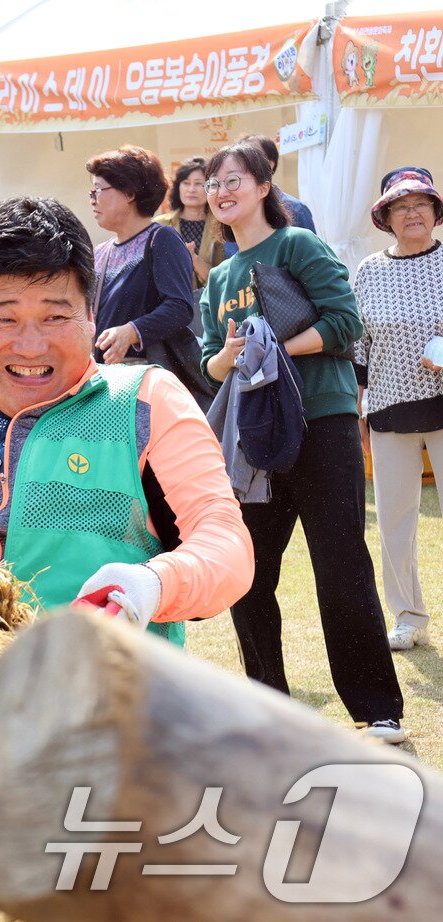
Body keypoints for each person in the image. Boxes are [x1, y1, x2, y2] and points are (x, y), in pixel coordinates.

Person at [0, 196, 253, 646]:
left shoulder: (147, 400)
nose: (31, 346)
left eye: (55, 316)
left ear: (90, 315)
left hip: (123, 701)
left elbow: (225, 542)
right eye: (4, 317)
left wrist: (153, 584)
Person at [200, 141, 406, 743]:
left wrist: (275, 351)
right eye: (214, 183)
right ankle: (268, 710)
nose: (222, 191)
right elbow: (209, 361)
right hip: (254, 437)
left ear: (265, 185)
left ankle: (377, 709)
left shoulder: (297, 246)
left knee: (339, 566)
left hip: (322, 422)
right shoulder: (217, 275)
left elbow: (346, 323)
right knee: (248, 574)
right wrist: (231, 359)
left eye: (235, 179)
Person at [352, 166, 443, 652]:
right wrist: (357, 407)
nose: (412, 213)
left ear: (435, 213)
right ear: (386, 216)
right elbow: (360, 347)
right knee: (394, 520)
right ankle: (408, 616)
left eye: (421, 204)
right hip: (388, 409)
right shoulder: (369, 270)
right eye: (401, 206)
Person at [86, 145, 211, 410]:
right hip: (107, 385)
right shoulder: (101, 253)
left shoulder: (161, 239)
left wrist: (132, 332)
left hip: (151, 386)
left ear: (129, 193)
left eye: (98, 189)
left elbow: (180, 307)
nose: (92, 199)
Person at [155, 157, 226, 290]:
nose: (191, 189)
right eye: (186, 183)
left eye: (198, 183)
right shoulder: (159, 225)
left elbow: (223, 280)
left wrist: (193, 259)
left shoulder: (222, 226)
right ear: (178, 187)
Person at [240, 134, 315, 233]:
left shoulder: (296, 209)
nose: (246, 163)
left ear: (270, 164)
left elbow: (308, 247)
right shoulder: (235, 209)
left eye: (252, 156)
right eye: (241, 158)